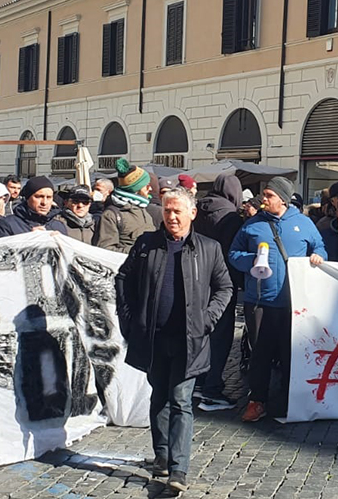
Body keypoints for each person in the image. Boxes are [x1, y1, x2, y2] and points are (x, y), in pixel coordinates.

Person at [116, 188, 233, 494]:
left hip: (189, 340)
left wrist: (208, 319)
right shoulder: (146, 245)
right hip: (154, 339)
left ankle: (179, 469)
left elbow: (225, 287)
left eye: (178, 211)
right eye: (167, 210)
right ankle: (163, 455)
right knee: (159, 398)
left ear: (192, 213)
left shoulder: (209, 248)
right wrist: (129, 319)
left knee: (181, 401)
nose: (172, 216)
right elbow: (122, 280)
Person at [227, 177, 326, 422]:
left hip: (294, 303)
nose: (264, 199)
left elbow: (320, 247)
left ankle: (287, 401)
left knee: (290, 354)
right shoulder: (252, 225)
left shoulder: (304, 224)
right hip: (259, 301)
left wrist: (318, 256)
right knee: (259, 354)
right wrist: (250, 260)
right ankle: (257, 400)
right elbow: (233, 253)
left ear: (283, 198)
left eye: (269, 195)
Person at [192, 173, 245, 411]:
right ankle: (212, 389)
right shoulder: (231, 217)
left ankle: (198, 381)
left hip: (195, 280)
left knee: (200, 333)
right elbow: (232, 254)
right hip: (222, 283)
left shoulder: (197, 210)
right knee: (221, 336)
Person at [96, 159, 156, 252]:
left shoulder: (142, 209)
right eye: (147, 186)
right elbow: (106, 250)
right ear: (136, 189)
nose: (150, 188)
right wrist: (137, 251)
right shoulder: (111, 215)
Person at [0, 176, 69, 236]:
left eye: (49, 197)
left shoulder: (59, 226)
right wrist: (28, 241)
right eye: (39, 197)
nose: (44, 202)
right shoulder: (8, 224)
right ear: (28, 198)